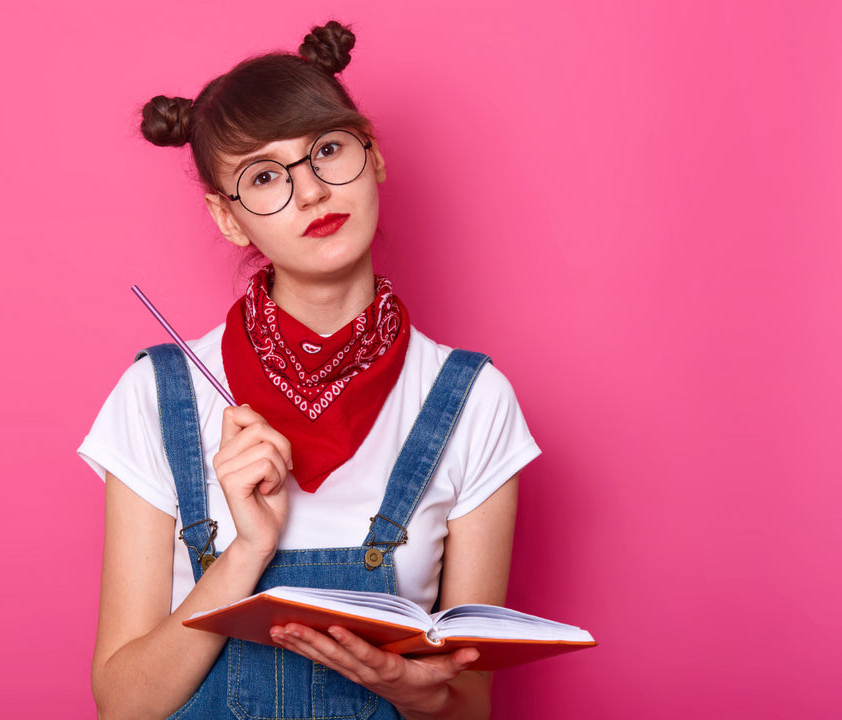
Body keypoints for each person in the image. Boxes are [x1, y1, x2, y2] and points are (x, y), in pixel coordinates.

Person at [78, 21, 540, 720]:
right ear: (228, 218)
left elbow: (469, 706)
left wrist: (416, 694)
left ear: (374, 157)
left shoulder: (474, 400)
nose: (312, 191)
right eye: (264, 176)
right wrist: (245, 553)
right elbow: (122, 707)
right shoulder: (156, 396)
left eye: (327, 150)